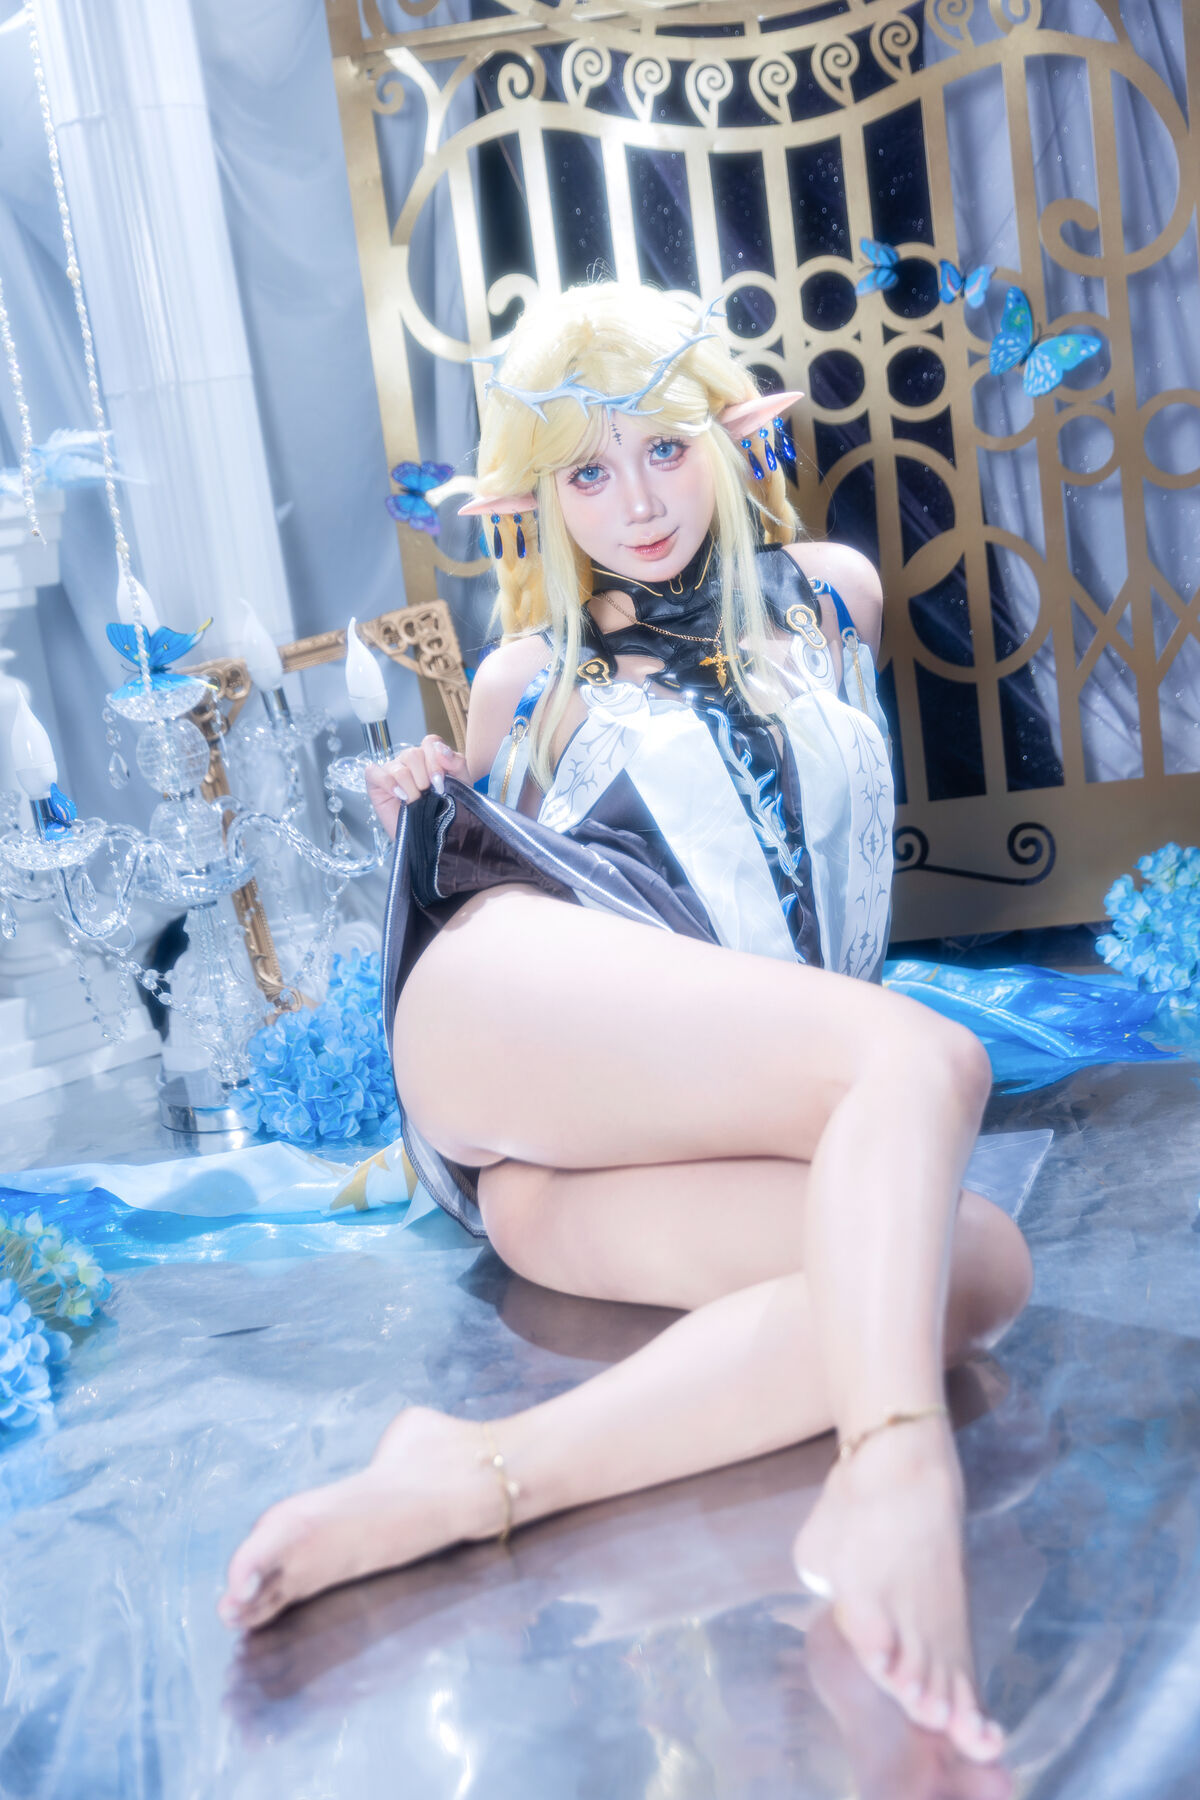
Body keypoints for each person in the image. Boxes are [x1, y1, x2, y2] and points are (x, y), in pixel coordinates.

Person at [219, 283, 1033, 1767]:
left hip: (569, 1186)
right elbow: (511, 868)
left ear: (728, 434)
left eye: (662, 448)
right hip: (506, 1017)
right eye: (585, 473)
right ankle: (895, 1476)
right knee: (925, 1057)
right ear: (536, 499)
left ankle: (476, 1475)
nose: (638, 505)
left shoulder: (833, 594)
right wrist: (428, 796)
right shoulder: (530, 677)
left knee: (971, 1269)